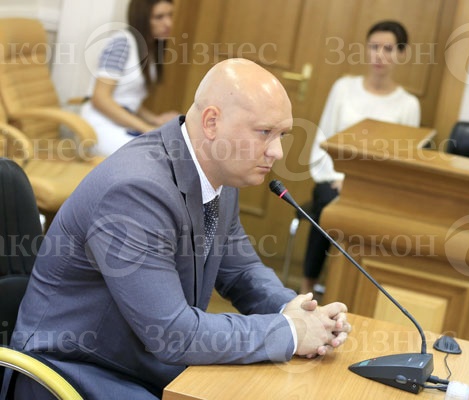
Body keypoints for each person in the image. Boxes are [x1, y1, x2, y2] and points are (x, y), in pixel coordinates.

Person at [2, 59, 351, 400]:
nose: (277, 151)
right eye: (264, 132)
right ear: (212, 122)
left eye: (282, 135)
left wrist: (296, 309)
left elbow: (241, 272)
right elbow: (172, 333)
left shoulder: (219, 174)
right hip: (76, 374)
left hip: (147, 364)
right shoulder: (135, 191)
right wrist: (290, 331)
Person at [302, 20, 421, 294]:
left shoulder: (408, 105)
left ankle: (355, 292)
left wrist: (365, 184)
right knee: (329, 206)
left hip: (379, 191)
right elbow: (323, 140)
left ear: (401, 53)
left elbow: (404, 162)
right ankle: (308, 287)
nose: (380, 55)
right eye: (374, 47)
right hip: (333, 181)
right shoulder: (343, 88)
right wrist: (338, 178)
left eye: (388, 49)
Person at [81, 0, 179, 156]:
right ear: (142, 18)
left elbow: (127, 99)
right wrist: (146, 127)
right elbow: (100, 98)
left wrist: (155, 119)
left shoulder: (150, 50)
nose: (168, 23)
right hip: (100, 124)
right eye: (159, 17)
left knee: (169, 150)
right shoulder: (121, 44)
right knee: (154, 156)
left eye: (170, 15)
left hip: (120, 123)